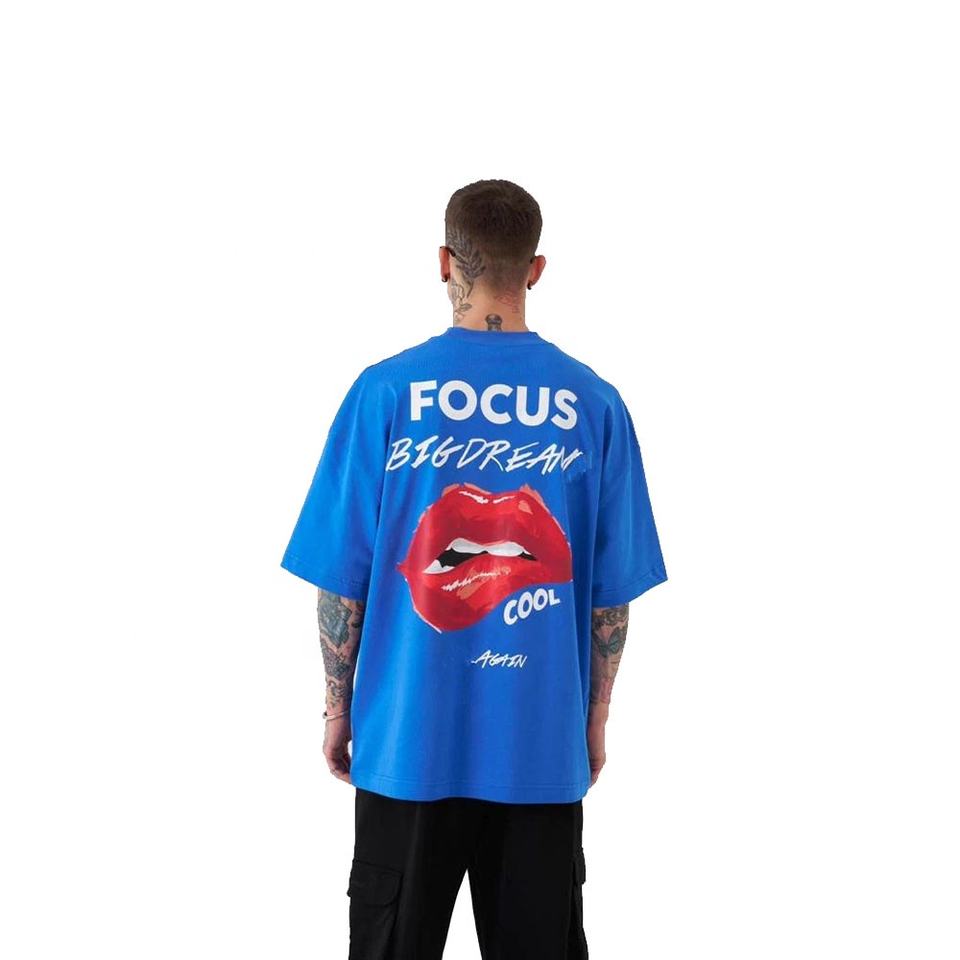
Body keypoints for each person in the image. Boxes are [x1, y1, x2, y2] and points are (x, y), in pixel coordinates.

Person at [280, 178, 668, 959]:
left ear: (444, 261)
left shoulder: (384, 393)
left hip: (404, 742)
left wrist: (337, 708)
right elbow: (608, 598)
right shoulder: (594, 403)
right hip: (539, 746)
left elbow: (343, 578)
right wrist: (593, 717)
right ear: (536, 269)